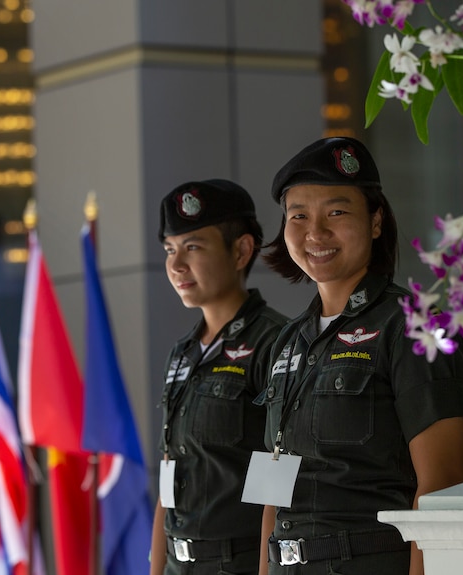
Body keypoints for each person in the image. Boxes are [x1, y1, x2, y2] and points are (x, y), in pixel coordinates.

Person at [257, 137, 463, 575]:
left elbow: (442, 483)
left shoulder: (415, 324)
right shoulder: (286, 341)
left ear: (376, 222)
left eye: (336, 213)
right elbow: (273, 490)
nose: (315, 233)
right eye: (298, 215)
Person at [149, 179, 289, 575]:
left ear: (242, 250)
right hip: (180, 563)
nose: (177, 265)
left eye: (193, 247)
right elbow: (167, 475)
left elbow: (276, 491)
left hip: (239, 563)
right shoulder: (182, 353)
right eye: (170, 250)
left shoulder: (275, 342)